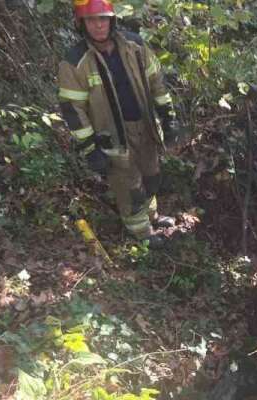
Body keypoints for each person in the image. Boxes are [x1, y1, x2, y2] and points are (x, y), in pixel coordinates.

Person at [57, 0, 176, 247]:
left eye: (103, 18)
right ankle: (141, 233)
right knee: (128, 186)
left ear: (112, 20)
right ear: (81, 24)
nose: (98, 25)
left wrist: (169, 116)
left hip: (144, 126)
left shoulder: (135, 45)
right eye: (91, 20)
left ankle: (151, 216)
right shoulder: (75, 61)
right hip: (110, 136)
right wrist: (90, 148)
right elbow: (73, 109)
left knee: (151, 175)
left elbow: (157, 82)